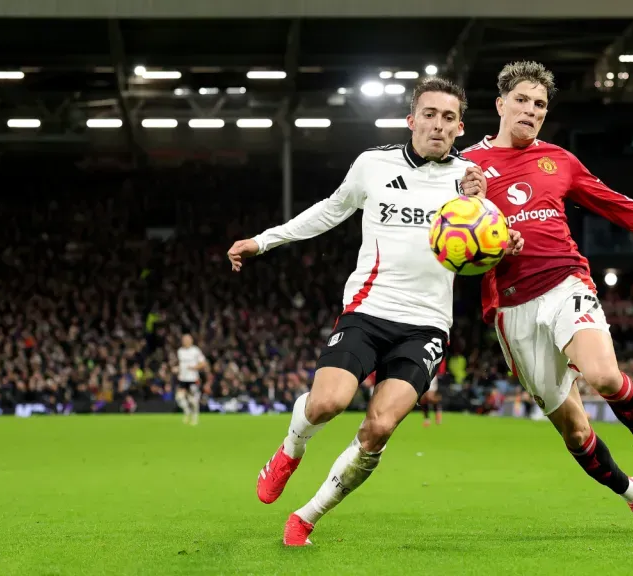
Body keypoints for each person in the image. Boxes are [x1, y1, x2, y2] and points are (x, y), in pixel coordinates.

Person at [226, 77, 521, 546]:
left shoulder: (471, 182)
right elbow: (330, 210)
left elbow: (489, 244)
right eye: (429, 114)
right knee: (326, 403)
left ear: (460, 127)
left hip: (426, 325)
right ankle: (290, 449)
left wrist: (505, 239)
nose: (438, 125)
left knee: (379, 426)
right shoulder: (373, 164)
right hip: (368, 309)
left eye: (449, 118)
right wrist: (265, 240)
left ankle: (306, 516)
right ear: (411, 120)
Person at [463, 61, 633, 532]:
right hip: (510, 307)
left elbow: (624, 210)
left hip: (565, 281)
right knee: (577, 431)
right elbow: (451, 247)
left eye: (540, 105)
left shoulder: (559, 161)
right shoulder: (466, 168)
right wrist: (487, 236)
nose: (531, 111)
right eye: (522, 100)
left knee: (605, 376)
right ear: (500, 104)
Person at [175, 334, 207, 426]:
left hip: (193, 378)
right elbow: (181, 365)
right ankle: (187, 411)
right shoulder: (180, 351)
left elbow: (203, 363)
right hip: (182, 378)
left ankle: (195, 418)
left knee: (193, 400)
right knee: (179, 398)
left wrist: (194, 367)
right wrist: (177, 369)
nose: (185, 341)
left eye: (187, 339)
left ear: (191, 340)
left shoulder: (195, 350)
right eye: (183, 339)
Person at [420, 361, 445, 426]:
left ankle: (438, 411)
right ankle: (427, 419)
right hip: (423, 376)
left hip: (432, 376)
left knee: (430, 397)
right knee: (423, 400)